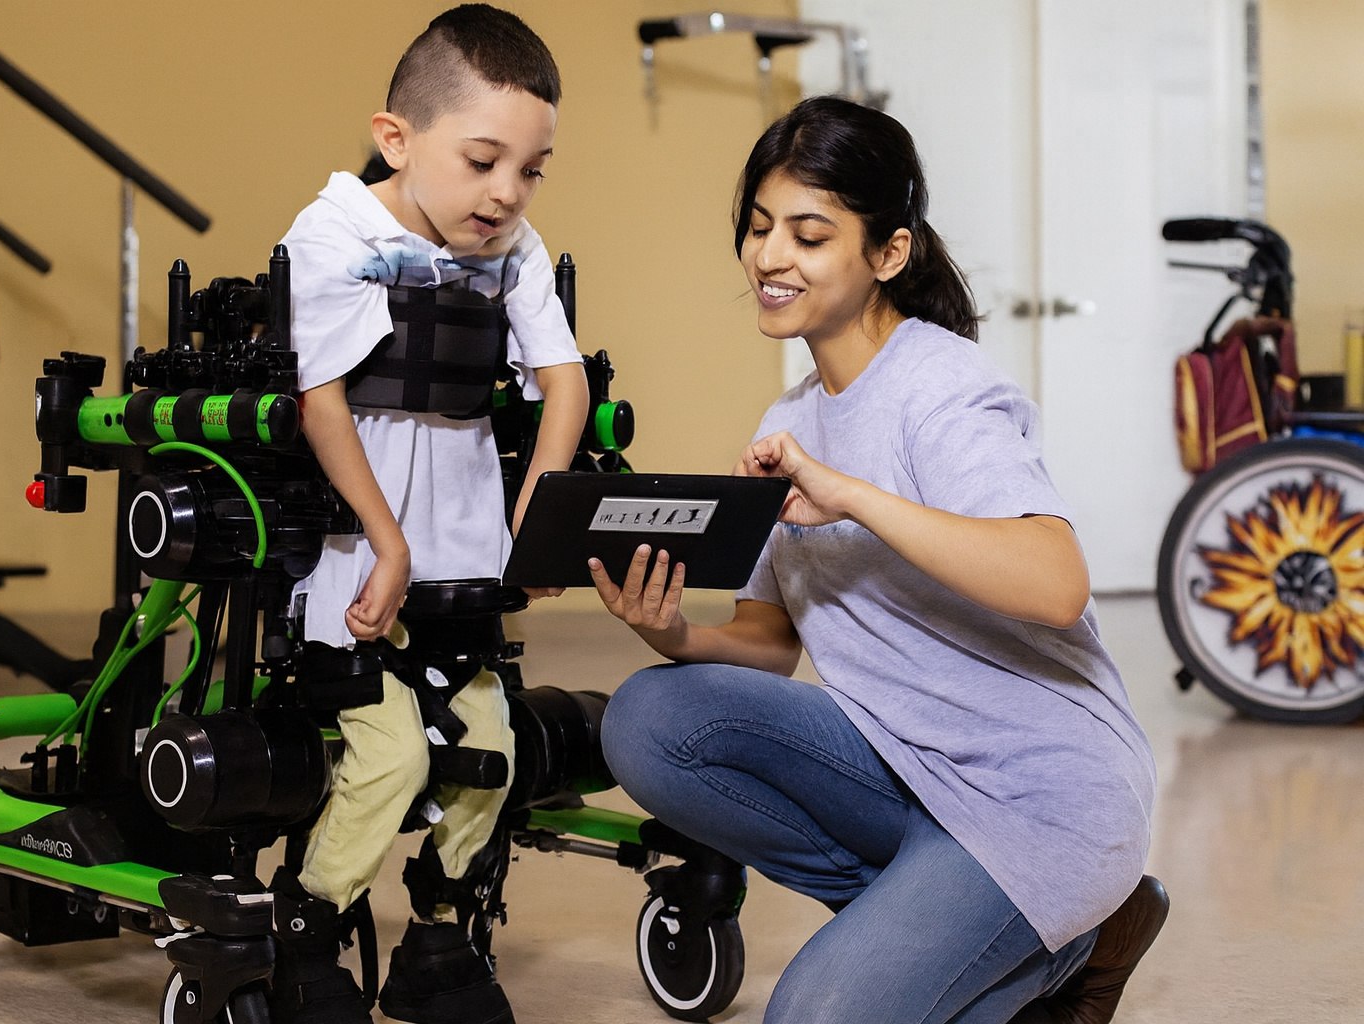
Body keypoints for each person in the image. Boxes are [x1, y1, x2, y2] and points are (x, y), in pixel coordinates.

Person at [590, 95, 1168, 1024]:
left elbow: (1056, 583)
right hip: (901, 766)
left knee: (813, 1019)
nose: (770, 257)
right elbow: (767, 643)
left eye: (810, 235)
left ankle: (1072, 940)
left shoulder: (943, 387)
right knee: (650, 719)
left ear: (888, 254)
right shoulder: (788, 420)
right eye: (760, 228)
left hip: (1036, 798)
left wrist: (855, 496)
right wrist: (672, 632)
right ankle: (960, 935)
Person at [276, 7, 588, 1024]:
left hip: (462, 553)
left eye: (531, 170)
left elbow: (565, 382)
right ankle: (307, 934)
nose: (507, 193)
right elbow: (321, 399)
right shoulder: (333, 232)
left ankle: (441, 941)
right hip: (354, 551)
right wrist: (387, 542)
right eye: (484, 161)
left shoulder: (515, 246)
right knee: (392, 757)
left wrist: (538, 514)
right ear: (397, 138)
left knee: (488, 751)